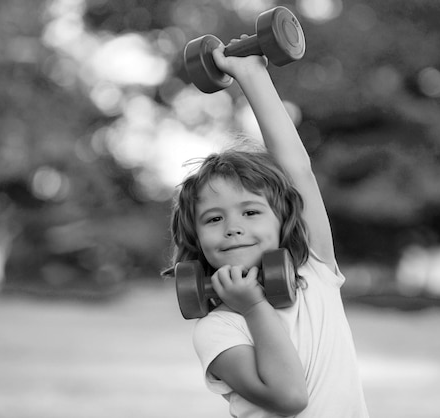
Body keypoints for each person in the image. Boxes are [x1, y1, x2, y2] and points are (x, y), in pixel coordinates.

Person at [167, 37, 369, 417]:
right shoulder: (219, 329)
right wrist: (254, 306)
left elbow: (298, 172)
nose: (232, 228)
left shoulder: (316, 271)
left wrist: (251, 73)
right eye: (214, 218)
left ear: (284, 221)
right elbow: (290, 397)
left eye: (251, 212)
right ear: (195, 237)